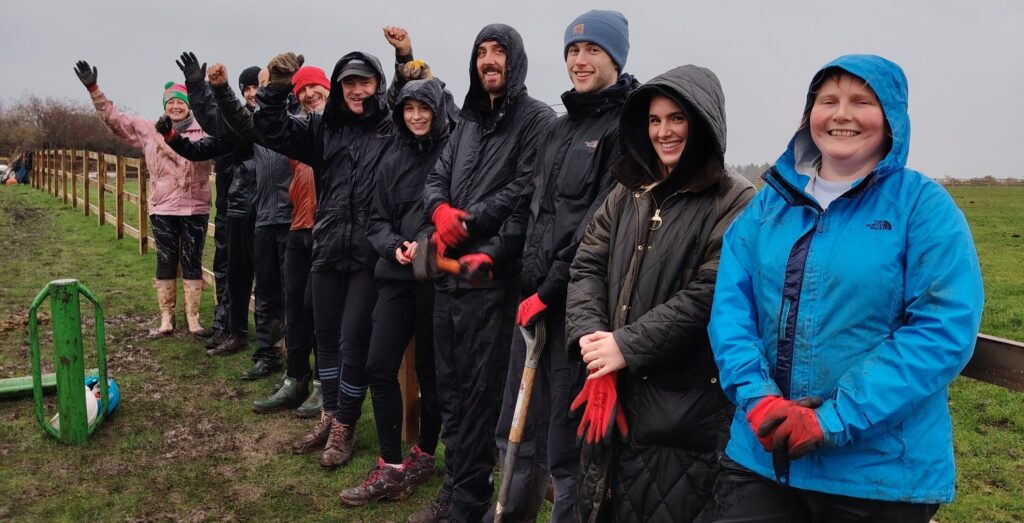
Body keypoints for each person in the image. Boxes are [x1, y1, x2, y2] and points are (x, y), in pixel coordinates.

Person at [700, 54, 984, 523]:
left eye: (861, 101)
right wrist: (759, 399)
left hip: (881, 474)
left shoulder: (923, 207)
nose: (841, 114)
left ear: (891, 117)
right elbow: (732, 310)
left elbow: (941, 329)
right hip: (763, 459)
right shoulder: (770, 204)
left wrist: (830, 419)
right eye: (826, 100)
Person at [565, 65, 754, 522]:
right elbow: (587, 263)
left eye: (677, 119)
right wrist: (593, 340)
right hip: (611, 381)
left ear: (705, 122)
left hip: (682, 404)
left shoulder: (736, 202)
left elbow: (710, 293)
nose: (664, 132)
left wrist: (626, 345)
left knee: (666, 504)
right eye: (654, 120)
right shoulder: (629, 191)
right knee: (602, 500)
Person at [485, 10, 638, 522]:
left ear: (615, 58)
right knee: (517, 425)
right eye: (574, 51)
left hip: (578, 309)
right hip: (532, 301)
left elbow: (598, 228)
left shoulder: (625, 131)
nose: (580, 60)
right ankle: (508, 512)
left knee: (565, 444)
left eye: (593, 50)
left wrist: (549, 291)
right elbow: (536, 211)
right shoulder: (557, 128)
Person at [414, 24, 556, 523]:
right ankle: (457, 492)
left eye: (498, 52)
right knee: (449, 390)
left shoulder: (537, 120)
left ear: (515, 60)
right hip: (449, 280)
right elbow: (436, 177)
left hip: (489, 281)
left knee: (480, 394)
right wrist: (440, 215)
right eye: (481, 53)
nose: (489, 61)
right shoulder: (467, 121)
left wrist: (474, 230)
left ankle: (471, 500)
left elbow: (526, 195)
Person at [254, 50, 395, 470]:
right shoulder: (323, 126)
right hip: (329, 243)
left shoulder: (391, 129)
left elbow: (435, 117)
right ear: (339, 87)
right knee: (326, 336)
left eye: (365, 82)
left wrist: (407, 59)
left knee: (354, 341)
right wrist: (278, 86)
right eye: (349, 83)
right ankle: (328, 416)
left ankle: (345, 426)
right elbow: (271, 130)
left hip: (369, 251)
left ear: (378, 85)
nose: (356, 90)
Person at [339, 75, 452, 507]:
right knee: (378, 365)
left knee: (431, 371)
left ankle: (424, 454)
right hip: (395, 275)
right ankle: (389, 464)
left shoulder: (452, 152)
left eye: (424, 108)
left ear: (437, 110)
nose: (417, 116)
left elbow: (447, 207)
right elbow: (376, 218)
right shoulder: (391, 156)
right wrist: (393, 246)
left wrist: (422, 243)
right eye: (409, 108)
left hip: (435, 276)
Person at [74, 60, 212, 338]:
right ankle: (166, 318)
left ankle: (194, 319)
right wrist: (94, 90)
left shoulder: (205, 129)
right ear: (164, 105)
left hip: (195, 205)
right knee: (165, 259)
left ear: (189, 105)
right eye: (171, 102)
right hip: (163, 207)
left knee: (192, 259)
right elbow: (115, 120)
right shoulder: (150, 130)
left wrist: (202, 87)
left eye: (181, 102)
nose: (175, 106)